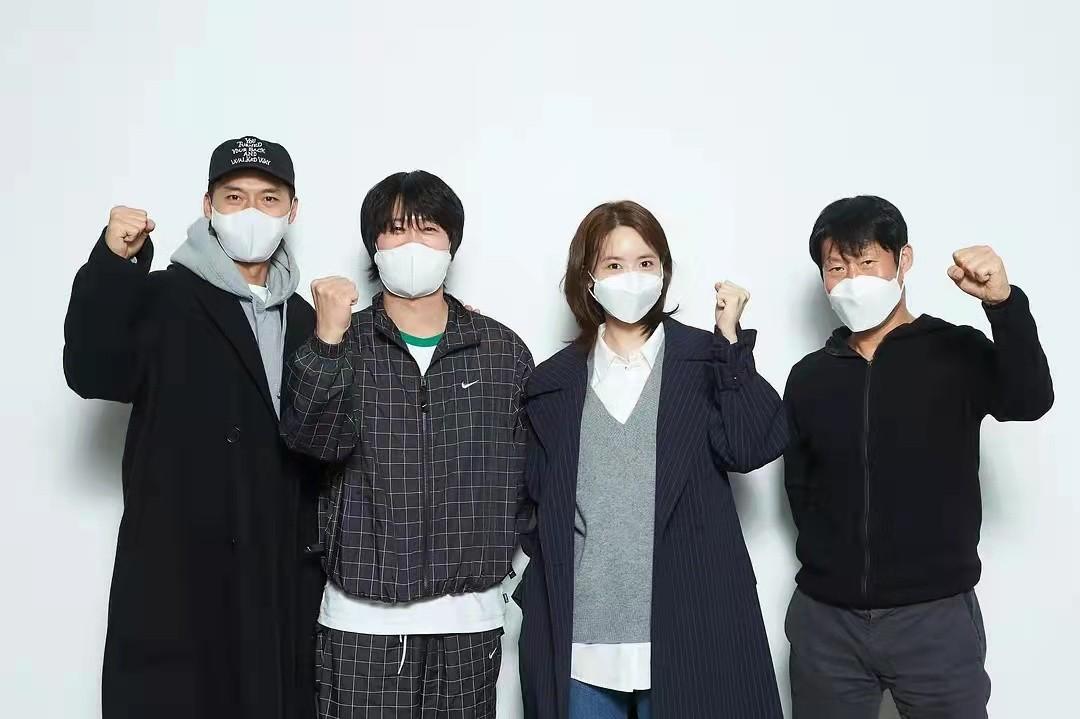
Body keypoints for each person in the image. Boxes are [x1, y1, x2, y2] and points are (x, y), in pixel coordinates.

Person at [63, 136, 323, 719]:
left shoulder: (307, 320)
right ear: (208, 206)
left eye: (268, 198)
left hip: (277, 575)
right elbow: (91, 370)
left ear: (292, 210)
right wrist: (112, 264)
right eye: (234, 197)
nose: (251, 211)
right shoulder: (163, 298)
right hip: (179, 573)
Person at [782, 195, 1054, 719]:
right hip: (827, 624)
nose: (852, 280)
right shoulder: (809, 376)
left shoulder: (955, 351)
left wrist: (1003, 305)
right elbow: (800, 484)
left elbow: (1030, 400)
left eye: (867, 262)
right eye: (836, 268)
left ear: (902, 260)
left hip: (934, 619)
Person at [516, 200, 789, 719]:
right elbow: (535, 502)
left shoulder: (705, 359)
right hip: (581, 642)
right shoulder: (552, 383)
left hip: (691, 630)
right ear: (588, 278)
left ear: (663, 271)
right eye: (613, 264)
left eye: (645, 262)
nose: (632, 277)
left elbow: (753, 446)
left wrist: (731, 343)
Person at [281, 170, 534, 719]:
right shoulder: (341, 341)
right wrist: (327, 341)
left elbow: (530, 478)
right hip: (361, 621)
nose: (412, 243)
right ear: (374, 244)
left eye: (428, 229)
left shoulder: (501, 352)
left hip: (469, 622)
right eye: (396, 230)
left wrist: (499, 557)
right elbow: (308, 440)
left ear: (451, 243)